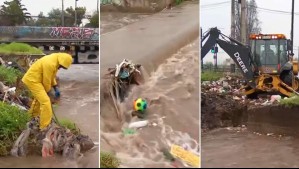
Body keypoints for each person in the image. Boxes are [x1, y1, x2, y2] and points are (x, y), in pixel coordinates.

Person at [22, 52, 73, 131]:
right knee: (46, 102)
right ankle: (44, 126)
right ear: (61, 62)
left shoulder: (55, 60)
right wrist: (48, 92)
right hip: (32, 80)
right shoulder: (50, 63)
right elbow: (46, 80)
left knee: (39, 100)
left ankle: (31, 117)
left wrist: (55, 87)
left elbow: (51, 76)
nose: (60, 68)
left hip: (37, 80)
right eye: (61, 66)